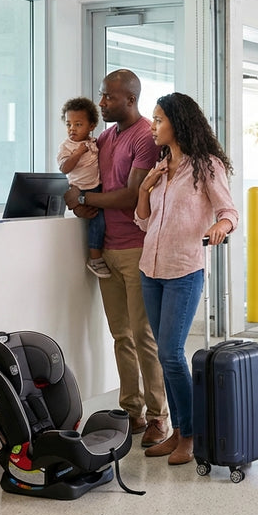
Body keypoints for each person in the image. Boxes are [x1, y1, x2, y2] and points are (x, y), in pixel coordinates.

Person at [64, 70, 169, 448]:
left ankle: (159, 417)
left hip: (137, 249)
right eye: (102, 95)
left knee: (144, 336)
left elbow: (129, 195)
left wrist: (85, 200)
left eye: (108, 97)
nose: (102, 102)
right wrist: (76, 199)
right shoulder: (105, 137)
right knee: (120, 334)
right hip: (107, 249)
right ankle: (132, 411)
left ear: (130, 99)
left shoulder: (145, 137)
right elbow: (88, 185)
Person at [135, 92, 237, 466]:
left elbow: (228, 210)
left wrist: (221, 226)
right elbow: (143, 222)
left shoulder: (206, 166)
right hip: (151, 268)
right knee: (165, 356)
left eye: (158, 119)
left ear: (178, 122)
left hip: (185, 268)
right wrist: (146, 187)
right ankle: (178, 431)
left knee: (171, 353)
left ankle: (191, 435)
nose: (153, 126)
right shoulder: (162, 165)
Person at [57, 97, 109, 278]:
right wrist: (78, 152)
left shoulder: (95, 143)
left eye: (78, 124)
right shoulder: (67, 146)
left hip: (97, 186)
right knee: (97, 220)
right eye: (69, 124)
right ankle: (95, 258)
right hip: (80, 189)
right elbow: (64, 168)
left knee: (102, 219)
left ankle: (100, 253)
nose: (72, 129)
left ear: (92, 125)